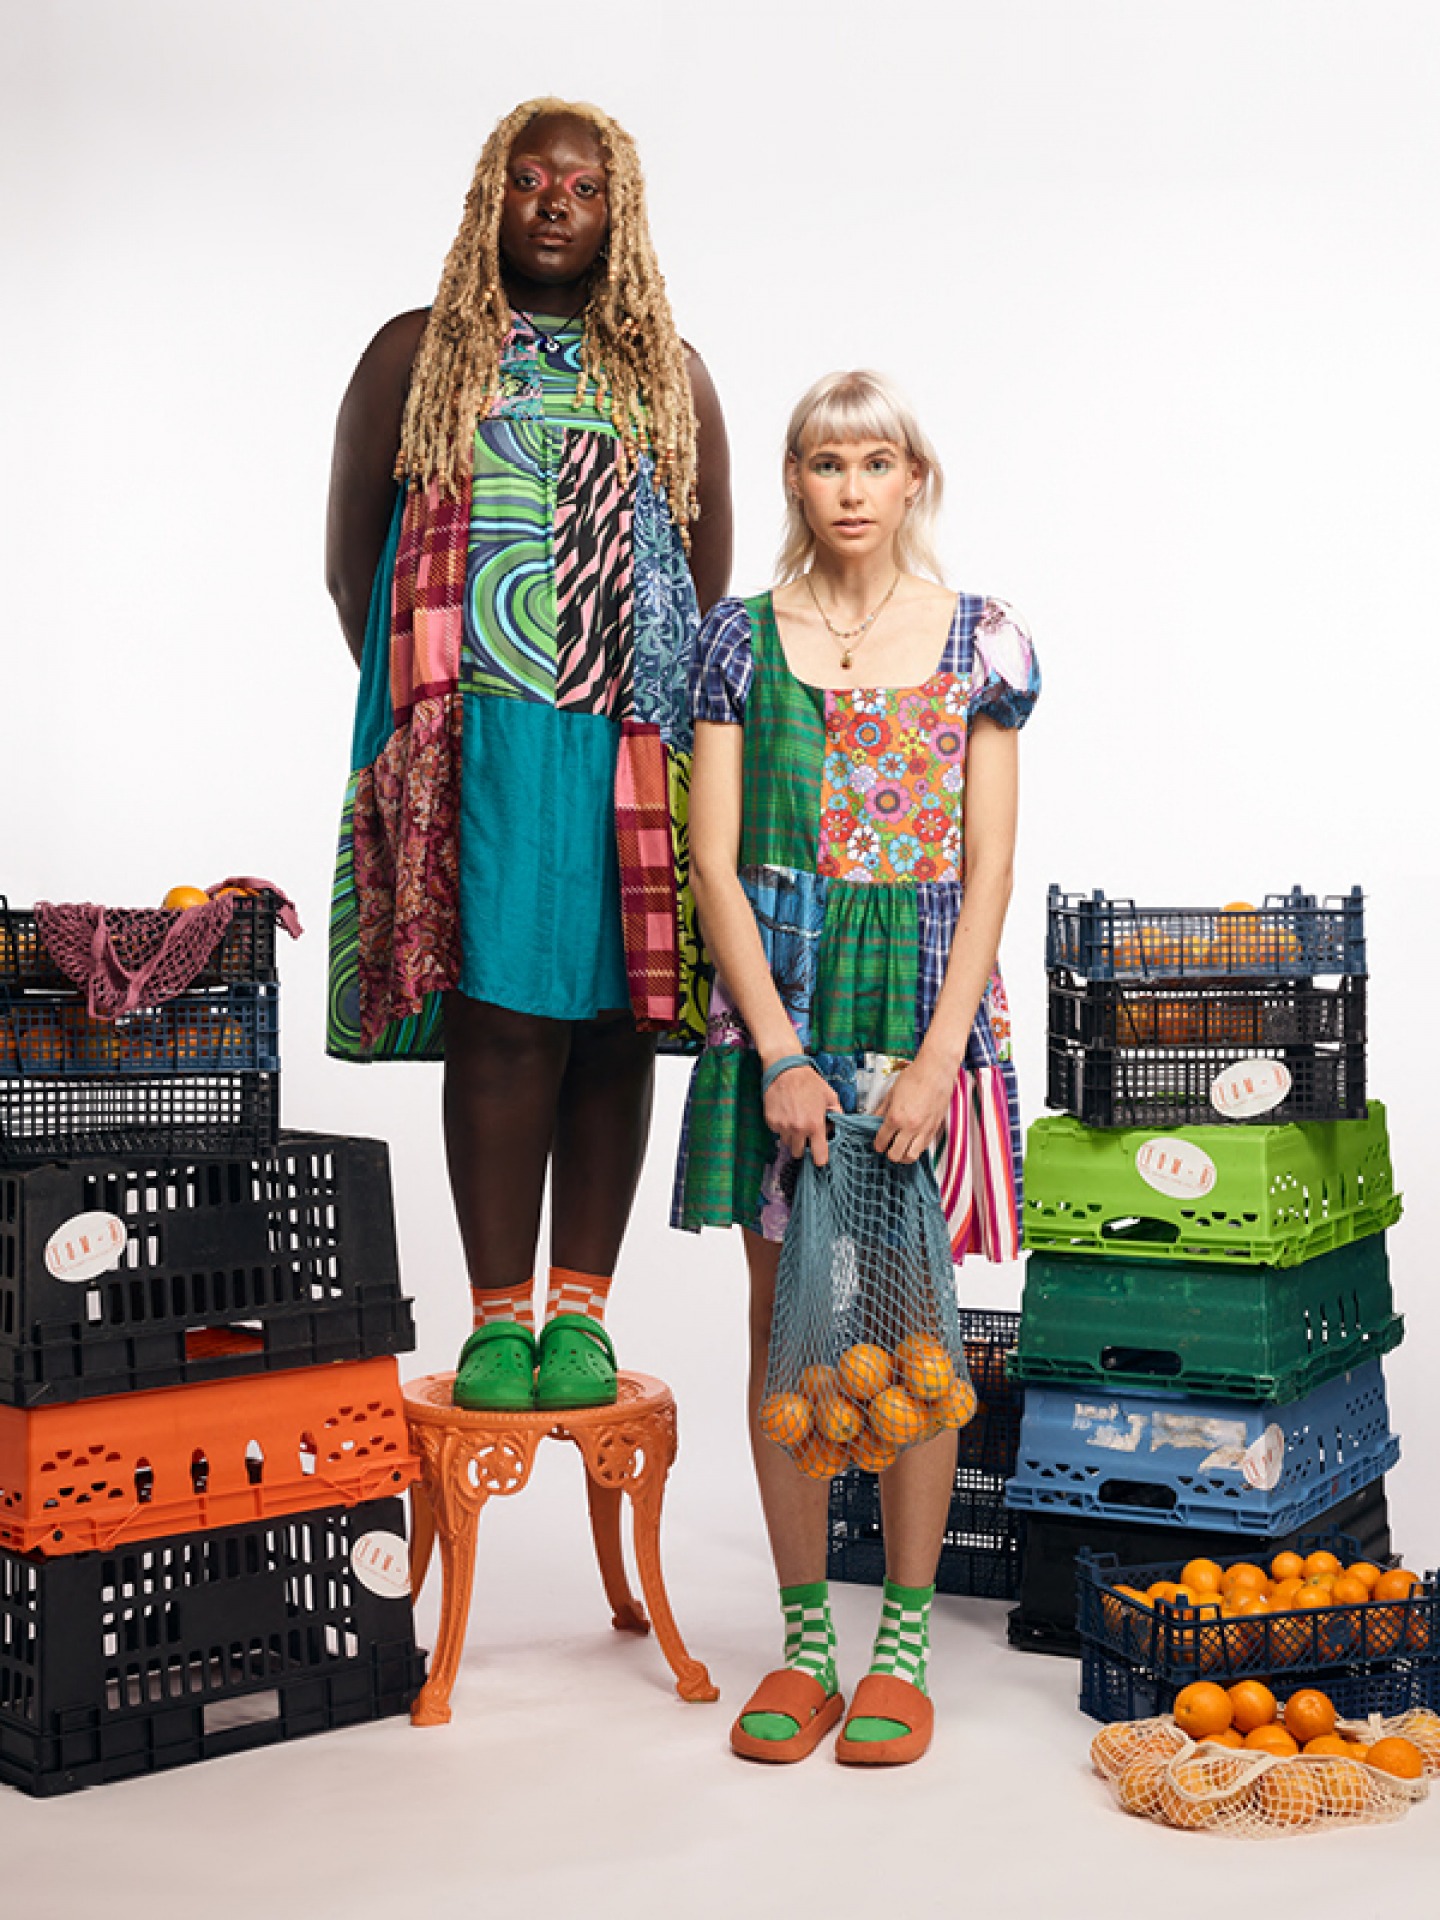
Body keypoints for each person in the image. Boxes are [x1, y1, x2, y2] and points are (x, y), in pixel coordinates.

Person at [325, 99, 731, 1413]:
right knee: (501, 1020)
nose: (557, 204)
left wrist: (654, 715)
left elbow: (704, 578)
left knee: (613, 1020)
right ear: (489, 199)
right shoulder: (414, 353)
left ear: (622, 214)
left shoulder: (669, 369)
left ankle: (584, 1315)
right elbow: (350, 560)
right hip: (478, 731)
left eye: (586, 187)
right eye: (531, 180)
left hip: (627, 729)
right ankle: (499, 1317)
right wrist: (426, 730)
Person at [674, 369, 1039, 1765]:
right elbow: (714, 859)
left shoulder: (981, 640)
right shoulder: (736, 641)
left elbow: (990, 864)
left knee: (915, 1327)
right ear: (794, 481)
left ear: (912, 480)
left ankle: (901, 1643)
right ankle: (804, 1641)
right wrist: (773, 1051)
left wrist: (943, 1059)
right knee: (789, 1329)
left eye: (875, 461)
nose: (849, 487)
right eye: (825, 462)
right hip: (783, 1003)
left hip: (919, 1007)